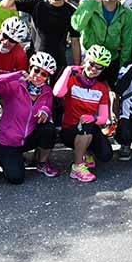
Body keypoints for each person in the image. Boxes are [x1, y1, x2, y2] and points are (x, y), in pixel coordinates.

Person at [0, 52, 59, 183]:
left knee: (49, 129)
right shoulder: (16, 84)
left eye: (44, 74)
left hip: (27, 139)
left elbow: (48, 107)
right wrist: (15, 75)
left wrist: (45, 111)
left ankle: (41, 163)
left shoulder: (47, 91)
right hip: (8, 141)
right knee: (16, 178)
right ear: (30, 68)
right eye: (36, 70)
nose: (38, 76)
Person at [0, 0, 81, 74]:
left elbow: (75, 41)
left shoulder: (71, 12)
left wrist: (77, 68)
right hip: (34, 61)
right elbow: (4, 5)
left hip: (58, 63)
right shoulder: (36, 3)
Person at [53, 46, 114, 182]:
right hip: (70, 130)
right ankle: (77, 167)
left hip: (89, 127)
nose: (94, 69)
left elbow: (103, 118)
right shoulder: (72, 80)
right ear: (85, 60)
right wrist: (68, 71)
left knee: (106, 155)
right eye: (91, 63)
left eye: (99, 67)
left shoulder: (102, 88)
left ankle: (86, 151)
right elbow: (57, 93)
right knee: (85, 126)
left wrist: (93, 118)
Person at [71, 0, 132, 86]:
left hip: (111, 61)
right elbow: (77, 26)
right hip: (90, 61)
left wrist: (124, 71)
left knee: (110, 93)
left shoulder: (127, 13)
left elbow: (127, 45)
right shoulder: (89, 3)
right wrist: (92, 2)